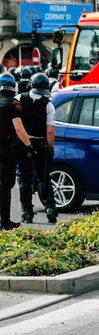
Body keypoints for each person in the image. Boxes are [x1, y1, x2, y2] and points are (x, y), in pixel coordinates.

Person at [16, 73, 57, 224]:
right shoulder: (48, 104)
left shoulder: (19, 99)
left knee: (24, 178)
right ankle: (50, 208)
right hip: (40, 144)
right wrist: (50, 148)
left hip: (23, 143)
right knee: (44, 177)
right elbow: (50, 131)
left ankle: (27, 212)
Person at [0, 73, 34, 230]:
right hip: (7, 150)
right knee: (6, 185)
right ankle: (5, 221)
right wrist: (28, 145)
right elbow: (19, 128)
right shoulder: (14, 104)